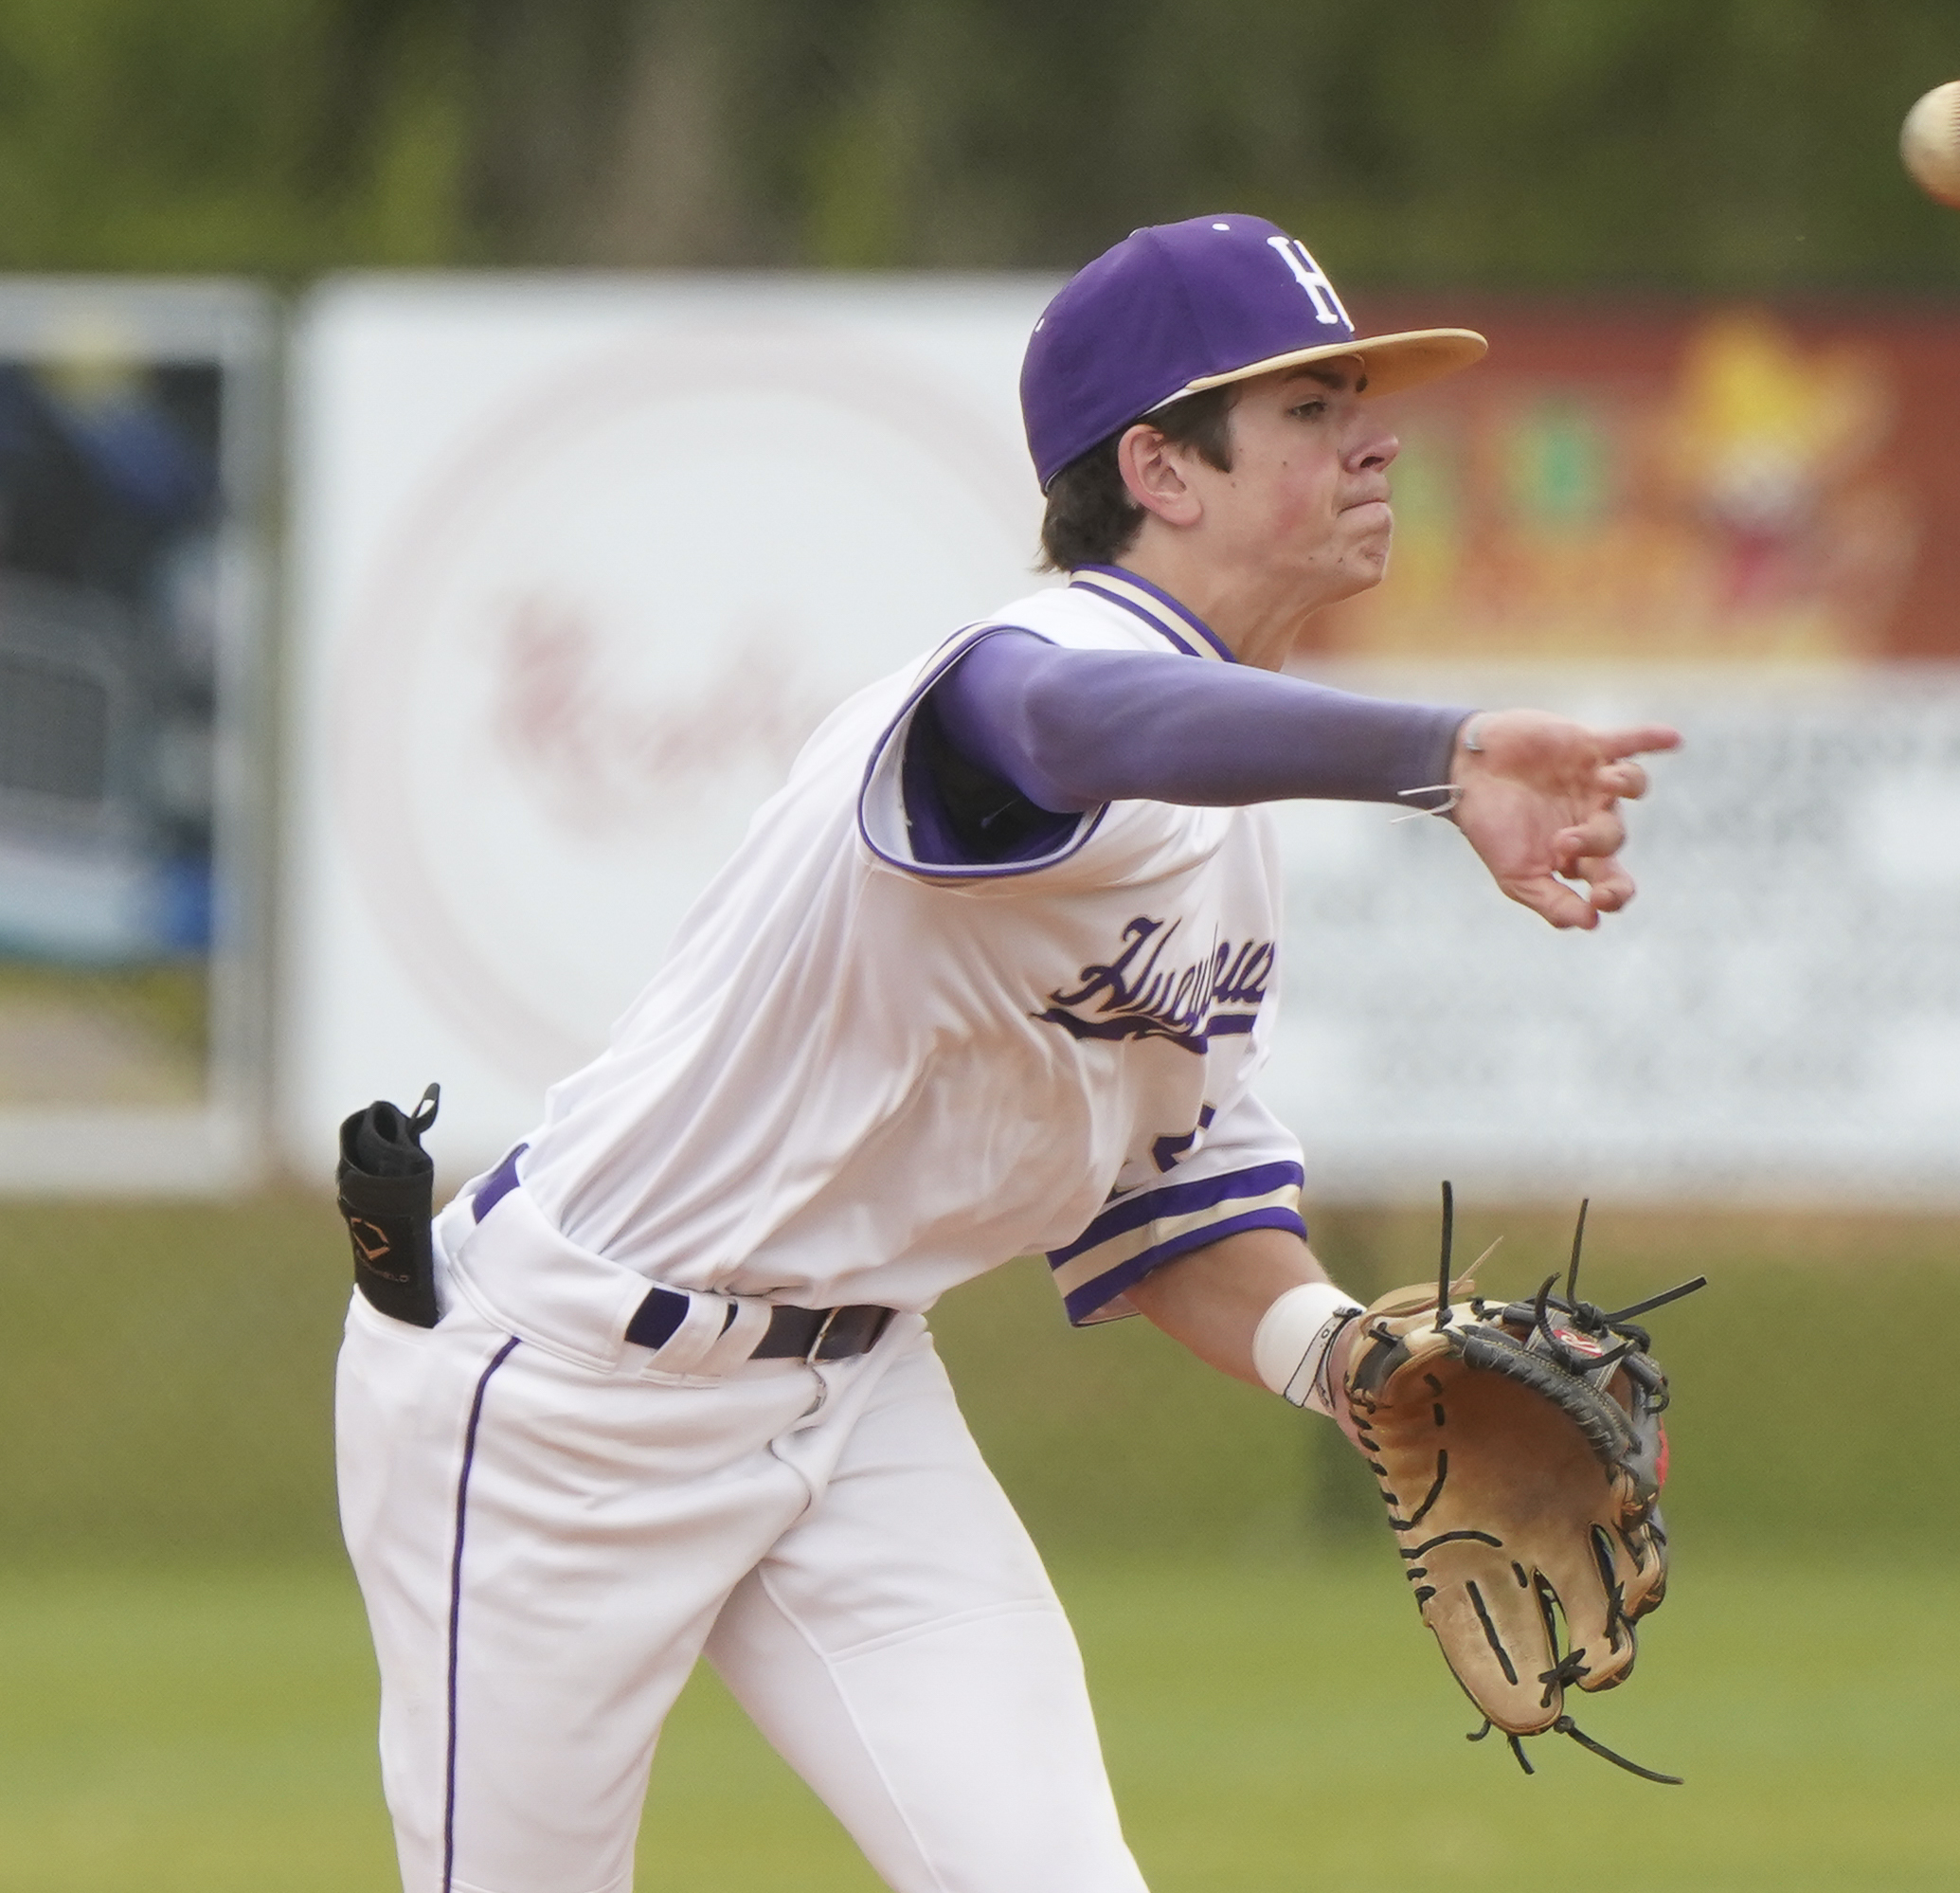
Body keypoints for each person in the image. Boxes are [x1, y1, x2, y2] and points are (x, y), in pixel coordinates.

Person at [333, 211, 1681, 1893]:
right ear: (1159, 470)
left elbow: (1169, 1215)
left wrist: (1345, 1360)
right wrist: (1435, 752)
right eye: (1313, 408)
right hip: (562, 1396)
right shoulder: (1040, 675)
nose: (1376, 437)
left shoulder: (1229, 848)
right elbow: (1056, 722)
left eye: (1362, 401)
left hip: (851, 1402)